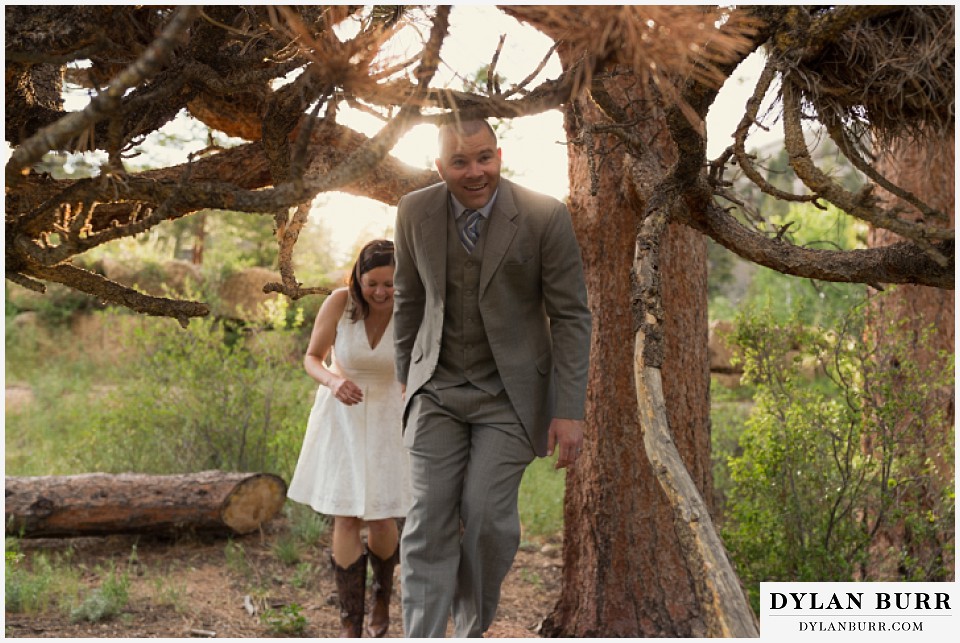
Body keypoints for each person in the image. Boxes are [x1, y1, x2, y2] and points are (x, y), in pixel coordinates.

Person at [392, 118, 592, 637]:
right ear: (440, 166)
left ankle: (470, 629)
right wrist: (405, 383)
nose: (475, 171)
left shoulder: (544, 215)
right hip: (436, 389)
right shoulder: (415, 211)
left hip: (509, 396)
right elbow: (408, 300)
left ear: (498, 154)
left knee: (485, 522)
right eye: (460, 162)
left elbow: (570, 315)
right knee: (426, 523)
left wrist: (569, 410)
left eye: (484, 157)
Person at [287, 239, 410, 638]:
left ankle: (381, 596)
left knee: (381, 514)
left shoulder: (412, 309)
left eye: (389, 284)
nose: (380, 292)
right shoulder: (339, 303)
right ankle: (349, 621)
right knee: (346, 514)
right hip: (343, 414)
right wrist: (334, 381)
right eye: (372, 282)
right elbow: (312, 357)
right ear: (357, 278)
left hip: (391, 415)